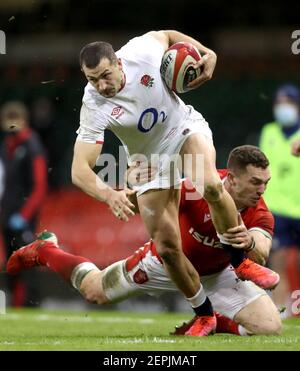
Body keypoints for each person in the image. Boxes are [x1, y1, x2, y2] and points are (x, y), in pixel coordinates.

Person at [6, 145, 282, 336]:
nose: (262, 190)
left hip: (218, 274)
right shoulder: (196, 187)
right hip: (164, 263)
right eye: (256, 182)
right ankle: (46, 249)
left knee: (270, 326)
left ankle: (216, 322)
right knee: (94, 291)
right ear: (231, 179)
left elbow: (260, 252)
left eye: (266, 183)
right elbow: (138, 204)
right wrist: (134, 183)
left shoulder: (259, 210)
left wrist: (248, 243)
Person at [71, 30, 240, 335]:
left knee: (211, 185)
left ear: (119, 63)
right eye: (92, 79)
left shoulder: (141, 52)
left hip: (183, 129)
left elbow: (166, 34)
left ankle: (241, 262)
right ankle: (205, 315)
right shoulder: (93, 103)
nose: (101, 85)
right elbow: (79, 169)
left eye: (105, 75)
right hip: (149, 163)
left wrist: (207, 53)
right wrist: (109, 195)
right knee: (167, 248)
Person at [0, 101, 48, 306]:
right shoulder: (7, 145)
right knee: (11, 262)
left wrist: (25, 216)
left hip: (23, 216)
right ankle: (14, 303)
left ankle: (32, 303)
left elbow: (39, 186)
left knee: (27, 260)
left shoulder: (32, 145)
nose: (12, 124)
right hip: (7, 213)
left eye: (15, 119)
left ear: (24, 121)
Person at [259, 84, 300, 316]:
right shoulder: (269, 132)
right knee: (279, 262)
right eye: (279, 103)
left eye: (288, 103)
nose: (283, 108)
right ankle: (280, 310)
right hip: (276, 208)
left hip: (299, 206)